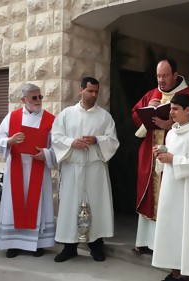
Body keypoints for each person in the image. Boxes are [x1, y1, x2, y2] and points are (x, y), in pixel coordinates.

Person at [131, 59, 189, 255]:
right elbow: (135, 115)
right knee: (149, 196)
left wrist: (169, 125)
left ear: (175, 75)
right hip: (151, 152)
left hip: (174, 155)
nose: (161, 81)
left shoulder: (187, 97)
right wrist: (148, 109)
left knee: (168, 198)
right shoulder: (151, 94)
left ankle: (164, 247)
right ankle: (145, 241)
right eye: (158, 76)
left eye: (164, 76)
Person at [51, 77, 119, 263]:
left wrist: (97, 140)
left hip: (95, 169)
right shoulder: (66, 114)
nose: (94, 95)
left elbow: (113, 140)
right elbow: (55, 137)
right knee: (70, 205)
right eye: (90, 91)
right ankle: (69, 247)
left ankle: (97, 246)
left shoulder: (105, 116)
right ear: (81, 90)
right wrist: (71, 142)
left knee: (97, 205)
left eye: (96, 92)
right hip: (73, 168)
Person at [0, 83, 56, 258]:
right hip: (16, 168)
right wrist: (10, 141)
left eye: (40, 97)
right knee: (15, 205)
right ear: (23, 99)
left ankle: (38, 243)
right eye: (34, 98)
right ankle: (14, 244)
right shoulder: (11, 117)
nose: (38, 101)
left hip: (38, 167)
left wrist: (45, 154)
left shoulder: (51, 119)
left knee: (38, 205)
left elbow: (58, 146)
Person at [151, 93, 189, 281]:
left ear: (188, 110)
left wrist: (173, 159)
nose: (171, 112)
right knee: (171, 230)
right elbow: (168, 159)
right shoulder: (172, 132)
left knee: (185, 232)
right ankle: (174, 272)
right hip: (171, 189)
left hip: (186, 192)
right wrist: (161, 155)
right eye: (171, 108)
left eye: (175, 109)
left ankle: (185, 274)